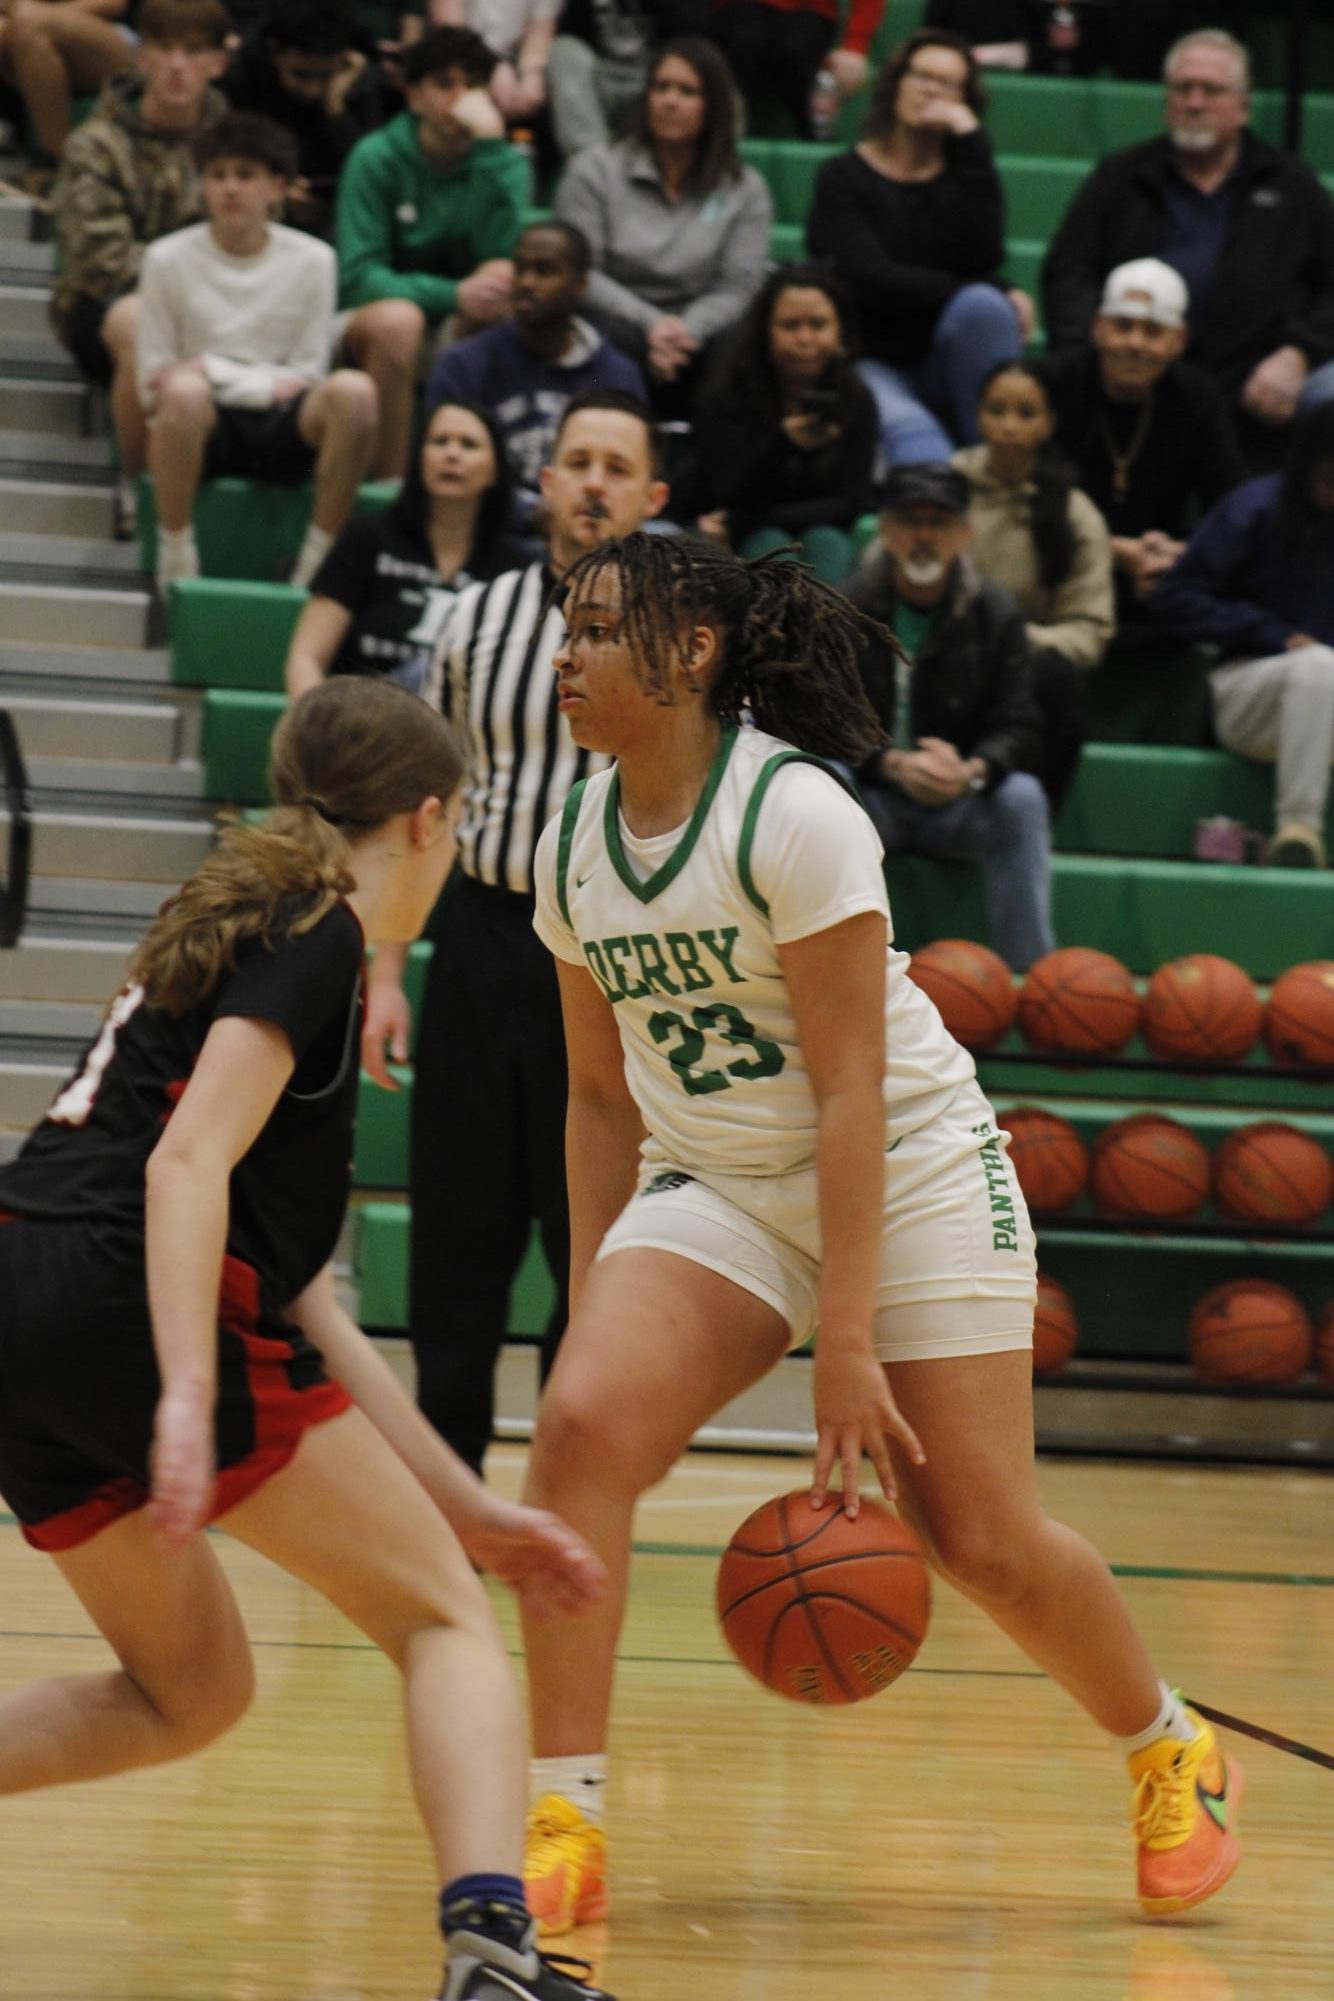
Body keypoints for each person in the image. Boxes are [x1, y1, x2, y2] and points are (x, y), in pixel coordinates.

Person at [514, 527, 1243, 1942]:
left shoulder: (793, 816)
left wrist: (841, 1340)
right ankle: (566, 1815)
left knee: (975, 1534)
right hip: (717, 1184)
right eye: (568, 626)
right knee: (577, 1432)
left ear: (689, 654)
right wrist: (594, 1289)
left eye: (599, 630)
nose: (568, 654)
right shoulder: (570, 846)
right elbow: (598, 1099)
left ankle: (1167, 1745)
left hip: (903, 1166)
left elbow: (852, 1088)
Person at [0, 673, 613, 2001]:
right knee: (447, 1624)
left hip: (21, 1291)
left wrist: (469, 1505)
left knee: (190, 1694)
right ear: (432, 816)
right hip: (124, 1294)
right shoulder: (320, 925)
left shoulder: (235, 906)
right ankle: (493, 1961)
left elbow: (304, 1298)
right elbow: (183, 1165)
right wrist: (176, 1389)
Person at [361, 389, 668, 1475]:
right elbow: (422, 806)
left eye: (614, 466)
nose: (591, 481)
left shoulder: (684, 641)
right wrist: (389, 967)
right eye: (574, 460)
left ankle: (570, 1466)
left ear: (649, 496)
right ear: (541, 483)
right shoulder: (468, 619)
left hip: (620, 956)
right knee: (457, 1225)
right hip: (486, 941)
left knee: (589, 1228)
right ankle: (450, 1482)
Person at [1040, 30, 1334, 469]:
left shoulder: (1292, 186)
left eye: (1211, 90)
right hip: (1132, 375)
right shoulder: (1119, 178)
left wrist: (1299, 354)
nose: (1194, 103)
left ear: (1243, 106)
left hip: (1257, 385)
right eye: (1183, 89)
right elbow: (1068, 275)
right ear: (1165, 99)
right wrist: (1103, 354)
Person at [136, 113, 379, 594]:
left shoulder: (314, 260)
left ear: (278, 187)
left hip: (284, 424)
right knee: (181, 392)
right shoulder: (165, 258)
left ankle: (316, 563)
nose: (230, 189)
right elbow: (154, 379)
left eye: (245, 176)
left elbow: (309, 371)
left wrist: (209, 367)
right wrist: (250, 381)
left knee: (354, 391)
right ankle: (176, 554)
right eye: (217, 175)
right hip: (202, 426)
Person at [843, 460, 1053, 969]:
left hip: (956, 803)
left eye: (938, 523)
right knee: (821, 781)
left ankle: (1030, 980)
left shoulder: (996, 613)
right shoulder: (844, 606)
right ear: (887, 531)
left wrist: (971, 771)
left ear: (964, 533)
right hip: (873, 800)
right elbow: (818, 718)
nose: (923, 537)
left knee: (1022, 797)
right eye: (910, 522)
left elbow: (1020, 725)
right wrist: (890, 764)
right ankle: (830, 965)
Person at [48, 0, 230, 542]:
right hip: (104, 312)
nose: (178, 65)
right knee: (136, 317)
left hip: (220, 311)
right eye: (166, 49)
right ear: (141, 57)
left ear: (218, 63)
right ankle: (138, 483)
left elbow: (256, 247)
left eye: (194, 51)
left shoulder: (239, 149)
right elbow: (101, 262)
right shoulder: (96, 144)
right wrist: (192, 288)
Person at [804, 27, 1027, 467]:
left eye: (948, 85)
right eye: (922, 76)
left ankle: (1000, 469)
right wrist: (986, 286)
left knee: (983, 308)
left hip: (950, 362)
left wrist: (971, 142)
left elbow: (984, 255)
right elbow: (868, 279)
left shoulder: (967, 177)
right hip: (871, 358)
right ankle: (944, 494)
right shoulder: (843, 177)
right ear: (896, 83)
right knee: (920, 445)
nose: (932, 91)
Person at [335, 25, 530, 479]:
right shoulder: (375, 157)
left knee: (503, 283)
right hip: (370, 322)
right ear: (413, 95)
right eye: (445, 84)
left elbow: (499, 252)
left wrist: (488, 152)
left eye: (474, 85)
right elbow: (361, 277)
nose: (461, 99)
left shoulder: (502, 160)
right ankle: (388, 489)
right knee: (398, 322)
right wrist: (452, 294)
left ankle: (479, 483)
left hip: (459, 318)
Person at [1149, 399, 1334, 870]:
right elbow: (1176, 596)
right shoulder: (1254, 509)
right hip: (1250, 692)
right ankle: (1299, 829)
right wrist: (1269, 632)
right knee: (1317, 666)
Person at [552, 36, 772, 408]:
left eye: (687, 91)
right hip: (615, 320)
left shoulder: (744, 189)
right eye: (661, 87)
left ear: (714, 106)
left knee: (740, 346)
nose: (670, 101)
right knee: (603, 338)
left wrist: (686, 330)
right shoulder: (593, 170)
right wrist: (653, 324)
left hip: (701, 330)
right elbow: (582, 273)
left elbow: (739, 286)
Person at [1039, 258, 1247, 624]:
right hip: (1061, 558)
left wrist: (1180, 553)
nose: (1135, 343)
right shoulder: (1055, 383)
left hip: (1160, 574)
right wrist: (1117, 551)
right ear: (1098, 328)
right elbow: (1030, 499)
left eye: (1153, 331)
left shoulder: (1197, 397)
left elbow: (1232, 503)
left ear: (1178, 341)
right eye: (1123, 326)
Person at [954, 358, 1114, 812]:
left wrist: (1018, 639)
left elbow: (1090, 631)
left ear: (1049, 425)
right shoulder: (945, 488)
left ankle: (1026, 822)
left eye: (1025, 414)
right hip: (936, 660)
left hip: (1017, 676)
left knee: (1060, 682)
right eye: (996, 410)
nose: (1008, 426)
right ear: (978, 414)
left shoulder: (1075, 514)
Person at [285, 400, 526, 699]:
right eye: (439, 442)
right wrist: (323, 730)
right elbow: (305, 658)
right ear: (419, 459)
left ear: (494, 471)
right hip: (361, 722)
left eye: (468, 445)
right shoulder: (368, 538)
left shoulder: (515, 567)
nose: (451, 454)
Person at [425, 220, 648, 531]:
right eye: (520, 269)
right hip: (491, 536)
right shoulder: (464, 365)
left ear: (580, 285)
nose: (527, 283)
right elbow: (439, 470)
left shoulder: (617, 375)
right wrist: (532, 514)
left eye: (544, 271)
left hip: (591, 534)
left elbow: (629, 476)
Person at [677, 261, 876, 584]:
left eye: (818, 324)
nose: (805, 338)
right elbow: (728, 492)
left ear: (840, 330)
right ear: (765, 331)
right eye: (790, 325)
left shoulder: (857, 398)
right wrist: (783, 445)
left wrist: (745, 518)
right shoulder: (725, 395)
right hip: (737, 538)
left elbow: (850, 502)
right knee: (770, 544)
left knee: (827, 540)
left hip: (800, 530)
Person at [219, 0, 391, 241]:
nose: (312, 89)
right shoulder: (242, 77)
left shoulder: (363, 81)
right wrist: (274, 192)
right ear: (275, 52)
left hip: (338, 217)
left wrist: (335, 109)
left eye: (325, 75)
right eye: (301, 74)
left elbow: (371, 176)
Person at [0, 0, 135, 193]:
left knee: (28, 23)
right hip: (29, 32)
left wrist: (39, 16)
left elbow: (113, 3)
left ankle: (60, 166)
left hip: (117, 35)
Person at [544, 0, 702, 159]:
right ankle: (594, 166)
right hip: (598, 83)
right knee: (564, 50)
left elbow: (691, 40)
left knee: (699, 66)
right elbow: (570, 33)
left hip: (653, 83)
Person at [706, 0, 880, 140]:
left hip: (810, 11)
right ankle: (722, 133)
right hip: (736, 11)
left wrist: (855, 45)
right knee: (742, 40)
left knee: (795, 48)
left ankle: (816, 133)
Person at [428, 0, 559, 128]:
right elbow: (450, 27)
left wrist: (532, 74)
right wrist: (492, 65)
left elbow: (540, 31)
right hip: (455, 55)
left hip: (512, 65)